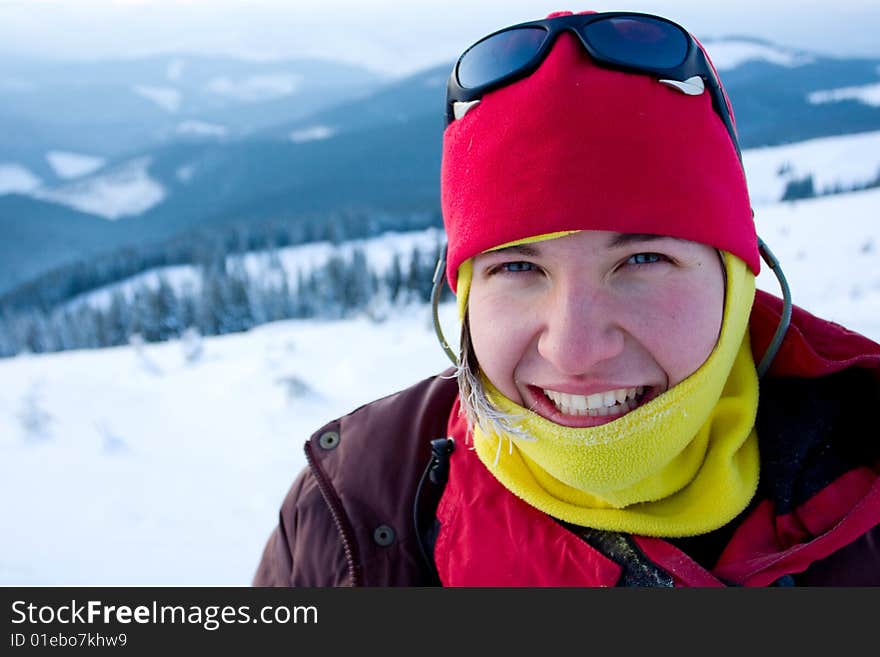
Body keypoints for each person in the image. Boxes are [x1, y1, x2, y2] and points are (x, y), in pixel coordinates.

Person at [252, 10, 880, 587]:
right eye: (519, 267)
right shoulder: (349, 514)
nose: (576, 351)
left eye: (642, 259)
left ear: (737, 279)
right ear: (467, 295)